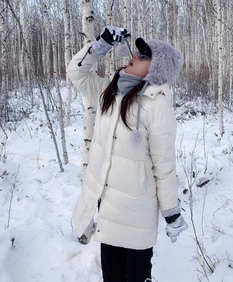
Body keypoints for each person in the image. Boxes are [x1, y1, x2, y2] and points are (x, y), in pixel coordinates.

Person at [68, 26, 188, 282]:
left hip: (137, 217)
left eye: (145, 56)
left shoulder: (157, 107)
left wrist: (171, 211)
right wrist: (101, 44)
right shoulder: (109, 92)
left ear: (156, 69)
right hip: (109, 214)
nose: (135, 56)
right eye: (138, 52)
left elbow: (163, 166)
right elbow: (76, 73)